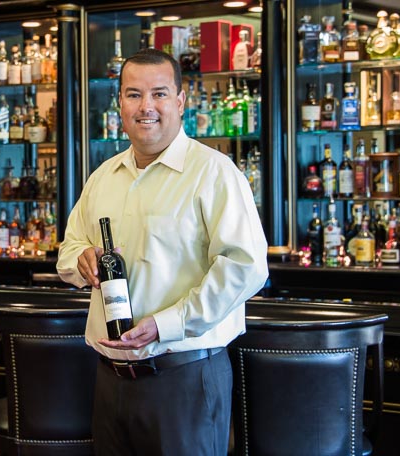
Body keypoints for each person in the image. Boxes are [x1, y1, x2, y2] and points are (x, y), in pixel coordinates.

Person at [56, 48, 269, 456]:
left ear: (180, 101)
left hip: (184, 379)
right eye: (134, 94)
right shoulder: (102, 177)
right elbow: (69, 251)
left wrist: (166, 324)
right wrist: (81, 261)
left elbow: (246, 267)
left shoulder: (214, 172)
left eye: (159, 94)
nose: (146, 107)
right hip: (110, 379)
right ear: (119, 103)